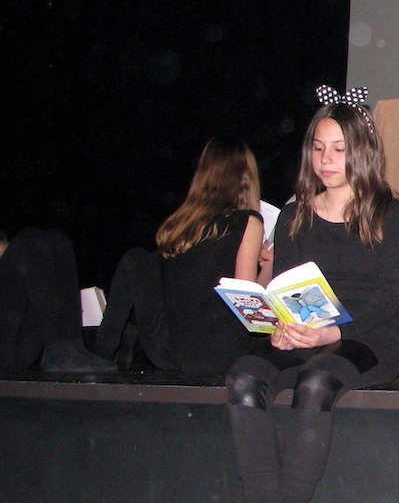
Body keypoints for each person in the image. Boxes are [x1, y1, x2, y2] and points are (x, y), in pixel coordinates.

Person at [224, 86, 399, 503]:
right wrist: (280, 325)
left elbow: (387, 299)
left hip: (366, 336)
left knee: (316, 382)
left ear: (361, 153)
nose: (327, 160)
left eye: (339, 149)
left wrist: (333, 332)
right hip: (308, 330)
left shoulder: (392, 214)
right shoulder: (294, 215)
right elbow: (285, 286)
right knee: (243, 377)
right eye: (318, 148)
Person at [95, 136, 269, 374]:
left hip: (171, 352)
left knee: (137, 259)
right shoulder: (247, 221)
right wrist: (268, 266)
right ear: (246, 177)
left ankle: (101, 353)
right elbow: (246, 304)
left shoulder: (179, 226)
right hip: (220, 353)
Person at [0, 228, 117, 372]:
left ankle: (72, 345)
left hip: (18, 345)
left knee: (59, 240)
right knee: (28, 239)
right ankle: (55, 346)